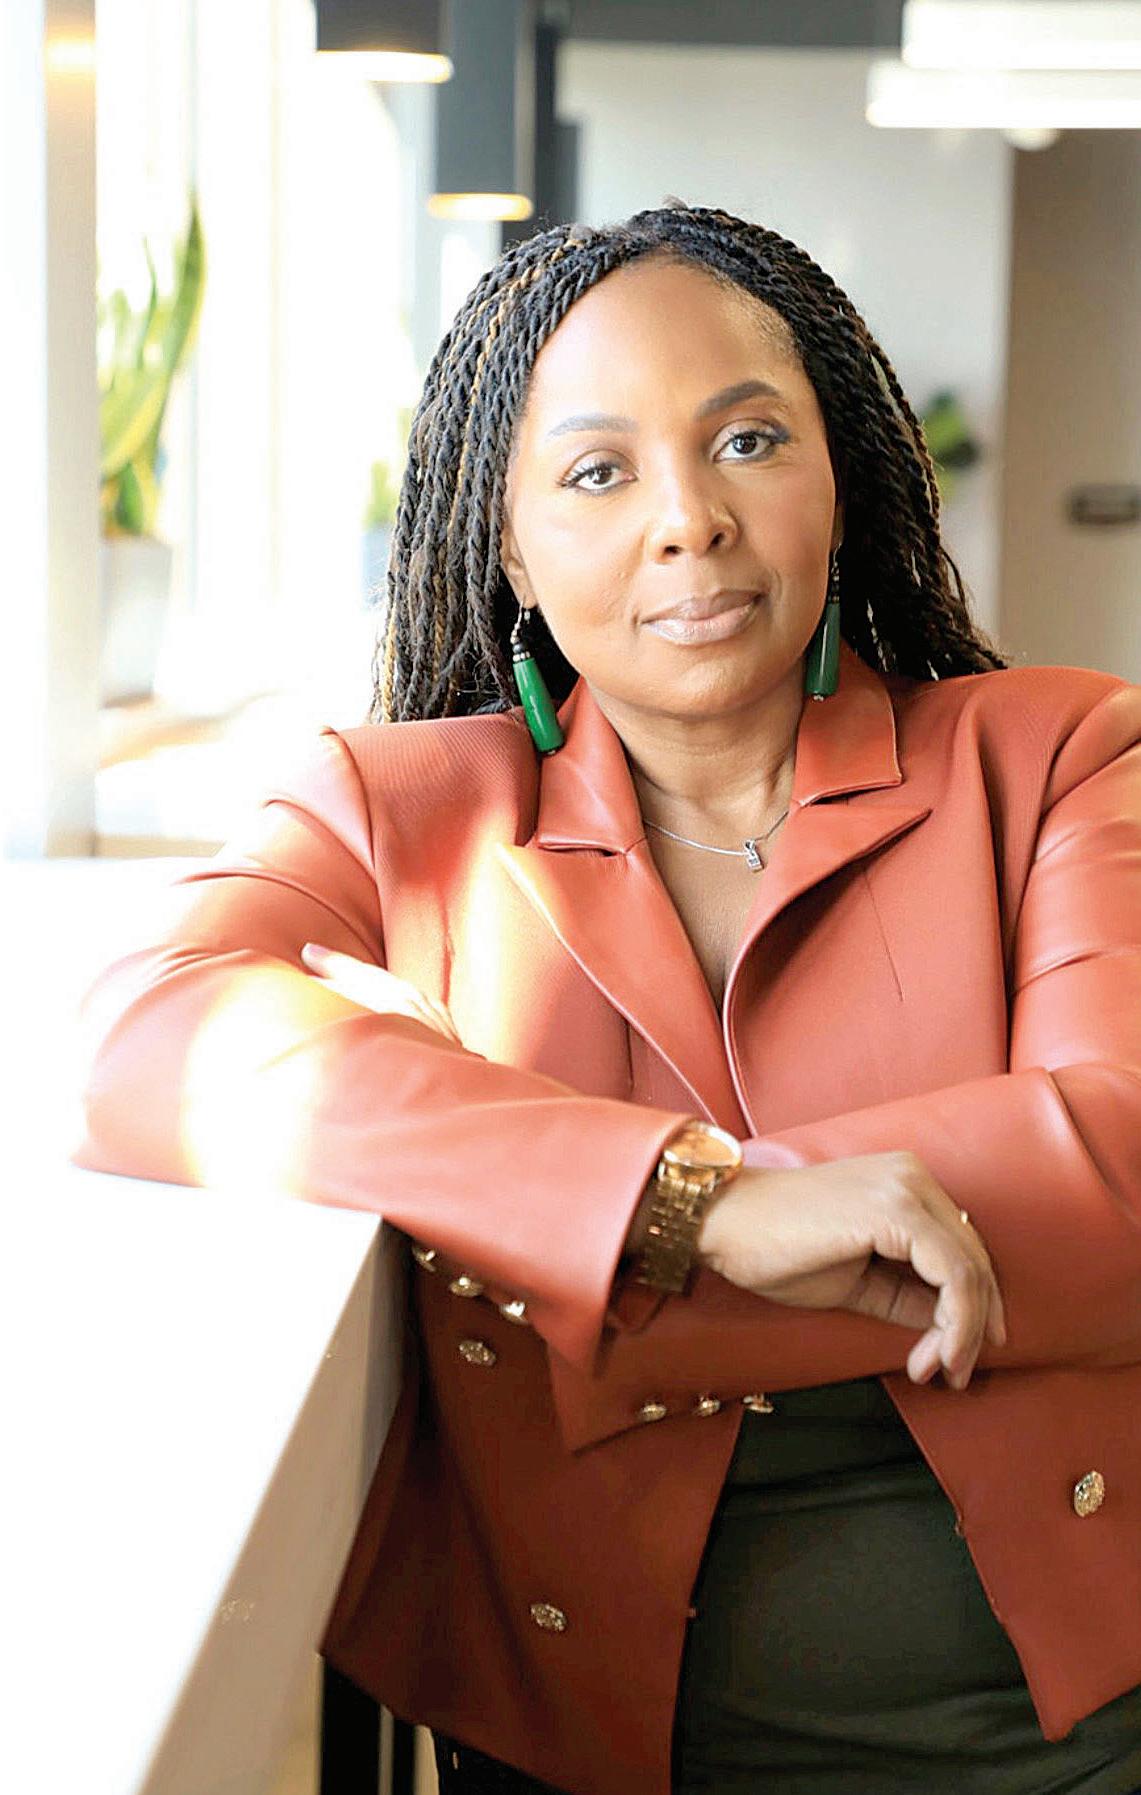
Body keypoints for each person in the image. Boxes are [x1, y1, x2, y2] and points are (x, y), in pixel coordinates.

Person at [76, 203, 1141, 1794]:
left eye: (747, 442)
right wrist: (684, 1208)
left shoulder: (1056, 756)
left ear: (837, 479)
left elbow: (1118, 1169)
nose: (688, 521)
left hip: (1049, 1745)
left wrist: (556, 1283)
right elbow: (147, 1041)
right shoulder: (394, 812)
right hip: (575, 1750)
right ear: (508, 542)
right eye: (596, 472)